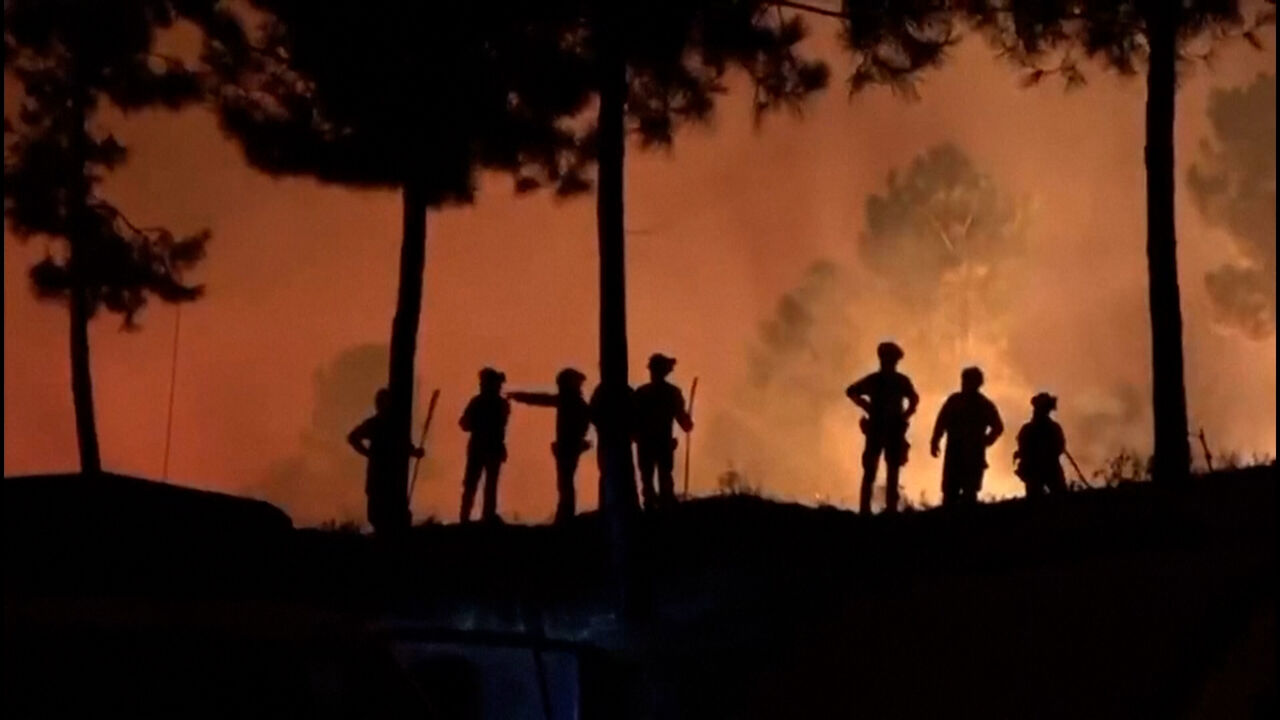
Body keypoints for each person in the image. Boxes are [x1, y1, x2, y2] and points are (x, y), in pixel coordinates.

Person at [509, 368, 593, 524]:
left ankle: (566, 515)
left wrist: (519, 396)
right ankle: (566, 513)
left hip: (568, 445)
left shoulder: (571, 401)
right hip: (568, 445)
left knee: (565, 481)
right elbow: (542, 399)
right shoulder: (574, 401)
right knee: (565, 481)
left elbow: (542, 399)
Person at [845, 341, 919, 514]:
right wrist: (866, 406)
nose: (890, 362)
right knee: (876, 469)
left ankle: (881, 508)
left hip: (887, 428)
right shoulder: (887, 380)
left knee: (887, 469)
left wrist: (904, 415)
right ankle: (871, 508)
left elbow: (914, 400)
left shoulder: (888, 380)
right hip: (881, 428)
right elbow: (851, 391)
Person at [348, 388, 423, 535]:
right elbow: (353, 438)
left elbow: (405, 446)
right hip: (383, 476)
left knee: (387, 513)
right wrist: (368, 453)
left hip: (390, 477)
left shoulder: (388, 425)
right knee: (380, 514)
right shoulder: (379, 424)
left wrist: (415, 452)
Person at [930, 367, 1004, 508]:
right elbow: (941, 422)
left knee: (969, 493)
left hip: (974, 453)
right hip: (954, 451)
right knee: (950, 492)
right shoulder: (954, 401)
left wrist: (985, 442)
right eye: (966, 380)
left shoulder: (983, 404)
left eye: (971, 381)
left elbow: (998, 427)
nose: (966, 384)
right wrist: (935, 441)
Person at [632, 353, 693, 510]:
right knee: (663, 474)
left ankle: (651, 505)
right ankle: (664, 504)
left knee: (648, 476)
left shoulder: (641, 393)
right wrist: (687, 424)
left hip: (646, 443)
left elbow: (633, 419)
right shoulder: (672, 393)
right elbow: (682, 419)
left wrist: (636, 436)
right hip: (662, 442)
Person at [459, 367, 511, 523]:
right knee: (487, 485)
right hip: (491, 447)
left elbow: (464, 424)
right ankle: (485, 515)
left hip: (480, 447)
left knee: (473, 484)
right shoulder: (499, 404)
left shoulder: (478, 402)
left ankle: (466, 516)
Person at [1015, 392, 1068, 498]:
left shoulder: (1029, 429)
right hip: (1040, 470)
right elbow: (1060, 447)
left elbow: (1059, 447)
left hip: (1044, 469)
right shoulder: (1052, 428)